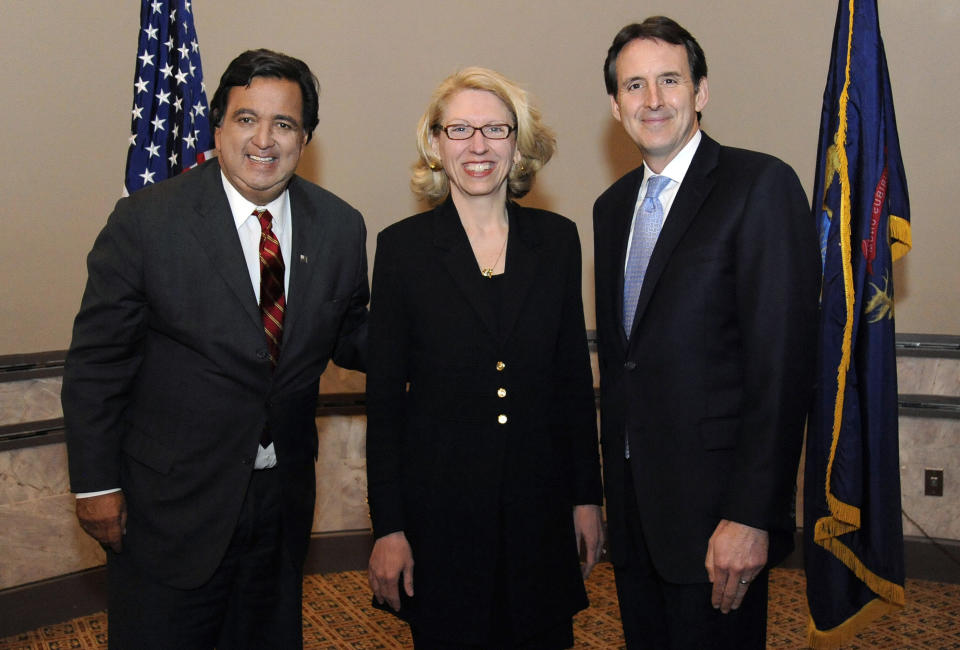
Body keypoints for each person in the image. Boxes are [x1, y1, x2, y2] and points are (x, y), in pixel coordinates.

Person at [62, 49, 369, 649]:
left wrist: (441, 325)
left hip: (279, 506)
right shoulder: (146, 222)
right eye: (246, 118)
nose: (264, 139)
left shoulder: (339, 226)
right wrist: (95, 486)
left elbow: (353, 334)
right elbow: (98, 364)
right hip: (168, 508)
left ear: (304, 137)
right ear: (218, 127)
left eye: (283, 124)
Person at [593, 16, 820, 649]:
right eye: (634, 86)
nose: (654, 99)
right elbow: (623, 365)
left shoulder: (760, 186)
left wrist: (752, 515)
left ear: (702, 92)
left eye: (670, 80)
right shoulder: (611, 210)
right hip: (637, 519)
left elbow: (783, 368)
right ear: (615, 106)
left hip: (721, 518)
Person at [365, 67, 604, 648]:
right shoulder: (402, 250)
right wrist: (389, 526)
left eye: (496, 129)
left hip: (540, 516)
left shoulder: (557, 240)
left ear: (517, 143)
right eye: (460, 129)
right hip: (441, 521)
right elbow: (386, 406)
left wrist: (587, 498)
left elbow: (572, 381)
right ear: (435, 143)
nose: (478, 146)